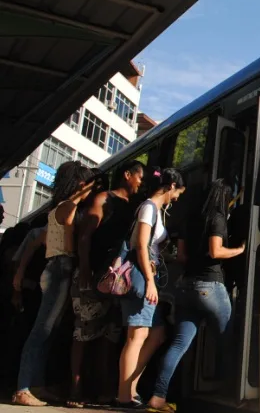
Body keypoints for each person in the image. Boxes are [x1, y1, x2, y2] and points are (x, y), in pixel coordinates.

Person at [147, 179, 246, 412]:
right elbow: (216, 251)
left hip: (185, 286)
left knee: (179, 344)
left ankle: (157, 397)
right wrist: (240, 250)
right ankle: (226, 392)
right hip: (210, 287)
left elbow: (181, 257)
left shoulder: (190, 220)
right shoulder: (218, 219)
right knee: (226, 340)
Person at [12, 161, 95, 407]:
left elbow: (36, 240)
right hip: (60, 269)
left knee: (48, 330)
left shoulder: (59, 207)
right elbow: (68, 243)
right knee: (42, 331)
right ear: (81, 185)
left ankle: (35, 385)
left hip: (55, 269)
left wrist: (20, 272)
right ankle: (23, 388)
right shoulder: (69, 207)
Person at [67, 161, 145, 408]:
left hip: (118, 282)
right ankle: (76, 389)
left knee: (108, 337)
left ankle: (101, 389)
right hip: (93, 275)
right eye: (139, 177)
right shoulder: (103, 198)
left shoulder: (135, 206)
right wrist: (86, 270)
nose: (141, 183)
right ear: (127, 175)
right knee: (84, 333)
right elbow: (85, 237)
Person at [116, 167, 185, 408]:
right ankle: (124, 395)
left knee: (155, 334)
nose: (177, 198)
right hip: (141, 276)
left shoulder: (154, 209)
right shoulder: (148, 208)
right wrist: (149, 280)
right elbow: (142, 246)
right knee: (137, 336)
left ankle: (130, 390)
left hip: (147, 274)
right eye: (178, 193)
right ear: (171, 186)